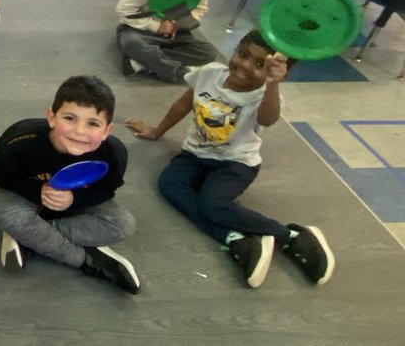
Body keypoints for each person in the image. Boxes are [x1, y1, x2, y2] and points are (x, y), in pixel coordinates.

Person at [124, 30, 334, 288]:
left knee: (212, 205)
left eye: (259, 65)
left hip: (235, 164)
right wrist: (156, 131)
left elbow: (267, 119)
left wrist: (272, 84)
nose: (245, 65)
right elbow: (183, 104)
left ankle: (291, 235)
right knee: (169, 185)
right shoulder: (210, 73)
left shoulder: (262, 95)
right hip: (194, 154)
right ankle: (235, 238)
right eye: (243, 54)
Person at [0, 76, 140, 294]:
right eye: (70, 118)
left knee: (124, 225)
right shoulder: (21, 141)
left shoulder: (114, 153)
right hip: (26, 192)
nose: (80, 131)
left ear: (107, 131)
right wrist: (37, 191)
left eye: (92, 123)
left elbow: (107, 189)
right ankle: (85, 260)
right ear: (52, 117)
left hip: (75, 198)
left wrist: (75, 199)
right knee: (11, 217)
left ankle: (28, 239)